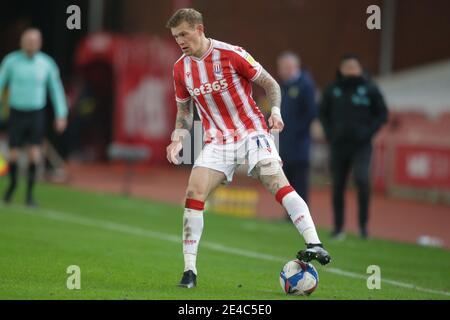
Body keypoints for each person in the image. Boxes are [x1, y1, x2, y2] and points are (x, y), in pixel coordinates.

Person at [165, 8, 331, 289]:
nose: (179, 40)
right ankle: (189, 272)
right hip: (217, 141)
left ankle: (314, 243)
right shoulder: (181, 68)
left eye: (183, 33)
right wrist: (178, 136)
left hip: (251, 133)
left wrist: (276, 111)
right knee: (194, 192)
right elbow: (184, 109)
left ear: (199, 29)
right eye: (175, 36)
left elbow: (270, 83)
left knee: (275, 181)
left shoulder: (231, 54)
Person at [319, 53, 388, 240]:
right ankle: (338, 228)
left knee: (362, 180)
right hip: (338, 145)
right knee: (337, 185)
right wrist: (330, 133)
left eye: (353, 67)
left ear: (360, 69)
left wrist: (367, 133)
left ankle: (363, 227)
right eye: (346, 67)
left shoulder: (370, 89)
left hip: (362, 146)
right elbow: (322, 114)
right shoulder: (332, 90)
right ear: (341, 69)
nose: (350, 70)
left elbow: (382, 114)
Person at [0, 28, 68, 207]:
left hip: (36, 113)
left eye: (34, 41)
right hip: (16, 112)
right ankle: (13, 185)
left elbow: (56, 90)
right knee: (13, 154)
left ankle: (30, 195)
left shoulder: (46, 64)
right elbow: (0, 83)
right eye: (27, 40)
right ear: (21, 42)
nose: (31, 44)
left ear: (39, 43)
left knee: (34, 153)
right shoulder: (11, 62)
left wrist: (61, 114)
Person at [277, 51, 317, 207]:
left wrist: (295, 130)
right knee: (287, 179)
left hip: (300, 142)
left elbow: (311, 112)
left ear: (295, 67)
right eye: (281, 67)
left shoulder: (305, 85)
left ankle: (302, 212)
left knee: (300, 178)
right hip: (285, 141)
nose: (283, 71)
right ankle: (290, 214)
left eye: (286, 67)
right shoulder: (283, 86)